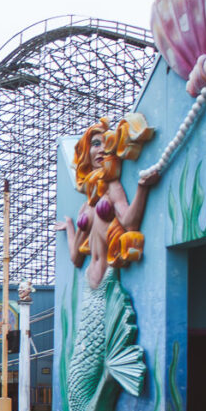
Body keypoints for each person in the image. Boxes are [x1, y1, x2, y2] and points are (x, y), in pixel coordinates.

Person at [54, 115, 154, 289]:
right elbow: (76, 257)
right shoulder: (86, 205)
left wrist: (142, 188)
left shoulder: (112, 186)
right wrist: (70, 226)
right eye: (95, 144)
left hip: (110, 278)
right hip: (89, 281)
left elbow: (129, 223)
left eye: (106, 144)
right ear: (86, 151)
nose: (101, 150)